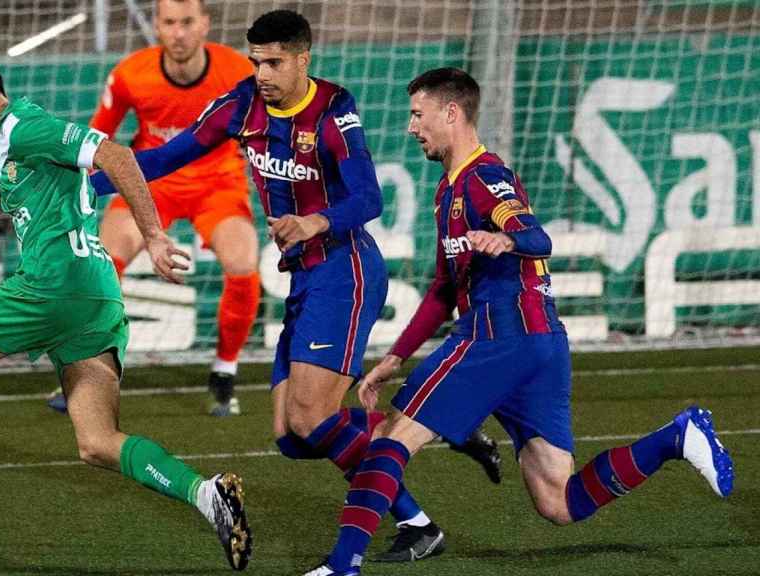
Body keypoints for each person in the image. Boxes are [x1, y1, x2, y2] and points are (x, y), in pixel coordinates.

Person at [91, 11, 501, 563]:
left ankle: (417, 522)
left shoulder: (333, 110)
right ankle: (440, 426)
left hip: (346, 270)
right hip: (305, 278)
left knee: (312, 417)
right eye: (256, 59)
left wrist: (316, 221)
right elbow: (167, 155)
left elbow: (369, 198)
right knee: (292, 435)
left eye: (274, 62)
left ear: (302, 59)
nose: (261, 71)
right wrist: (81, 177)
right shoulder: (242, 104)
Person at [302, 67, 736, 576]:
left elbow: (536, 236)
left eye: (417, 115)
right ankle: (675, 438)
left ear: (451, 113)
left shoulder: (485, 178)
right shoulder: (448, 192)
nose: (410, 127)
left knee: (389, 440)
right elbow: (444, 290)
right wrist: (395, 357)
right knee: (559, 500)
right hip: (539, 345)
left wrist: (508, 239)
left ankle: (342, 566)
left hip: (496, 338)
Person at [0, 51, 252, 570]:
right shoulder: (10, 145)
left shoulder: (25, 127)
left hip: (53, 286)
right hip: (94, 296)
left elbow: (118, 156)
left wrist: (155, 235)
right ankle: (208, 495)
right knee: (97, 443)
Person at [48, 0, 260, 417]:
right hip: (150, 184)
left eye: (186, 22)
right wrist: (73, 186)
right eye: (168, 23)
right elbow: (96, 140)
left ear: (204, 25)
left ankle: (224, 371)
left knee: (243, 262)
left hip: (217, 183)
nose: (178, 33)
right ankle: (86, 368)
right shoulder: (131, 73)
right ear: (157, 27)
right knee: (100, 263)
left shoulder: (237, 72)